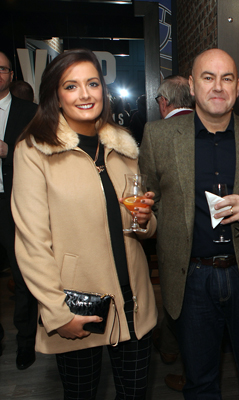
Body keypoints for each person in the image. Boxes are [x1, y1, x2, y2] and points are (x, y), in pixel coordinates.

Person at [139, 48, 239, 399]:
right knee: (200, 382)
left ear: (238, 88)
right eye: (208, 78)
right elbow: (149, 202)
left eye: (227, 78)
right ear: (192, 86)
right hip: (190, 279)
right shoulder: (159, 137)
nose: (218, 87)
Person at [11, 48, 158, 399]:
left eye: (92, 83)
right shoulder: (34, 150)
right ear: (55, 96)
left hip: (134, 304)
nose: (85, 94)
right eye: (71, 86)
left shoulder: (122, 146)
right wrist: (57, 313)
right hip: (78, 307)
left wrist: (145, 219)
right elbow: (32, 243)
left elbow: (142, 227)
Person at [151, 74, 195, 392]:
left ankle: (188, 371)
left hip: (172, 236)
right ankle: (169, 346)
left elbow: (148, 193)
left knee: (176, 300)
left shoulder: (157, 135)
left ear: (164, 102)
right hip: (215, 237)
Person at [0, 50, 38, 368]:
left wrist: (7, 151)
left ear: (11, 75)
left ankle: (25, 342)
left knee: (22, 274)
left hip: (13, 204)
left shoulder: (29, 111)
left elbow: (42, 156)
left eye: (2, 68)